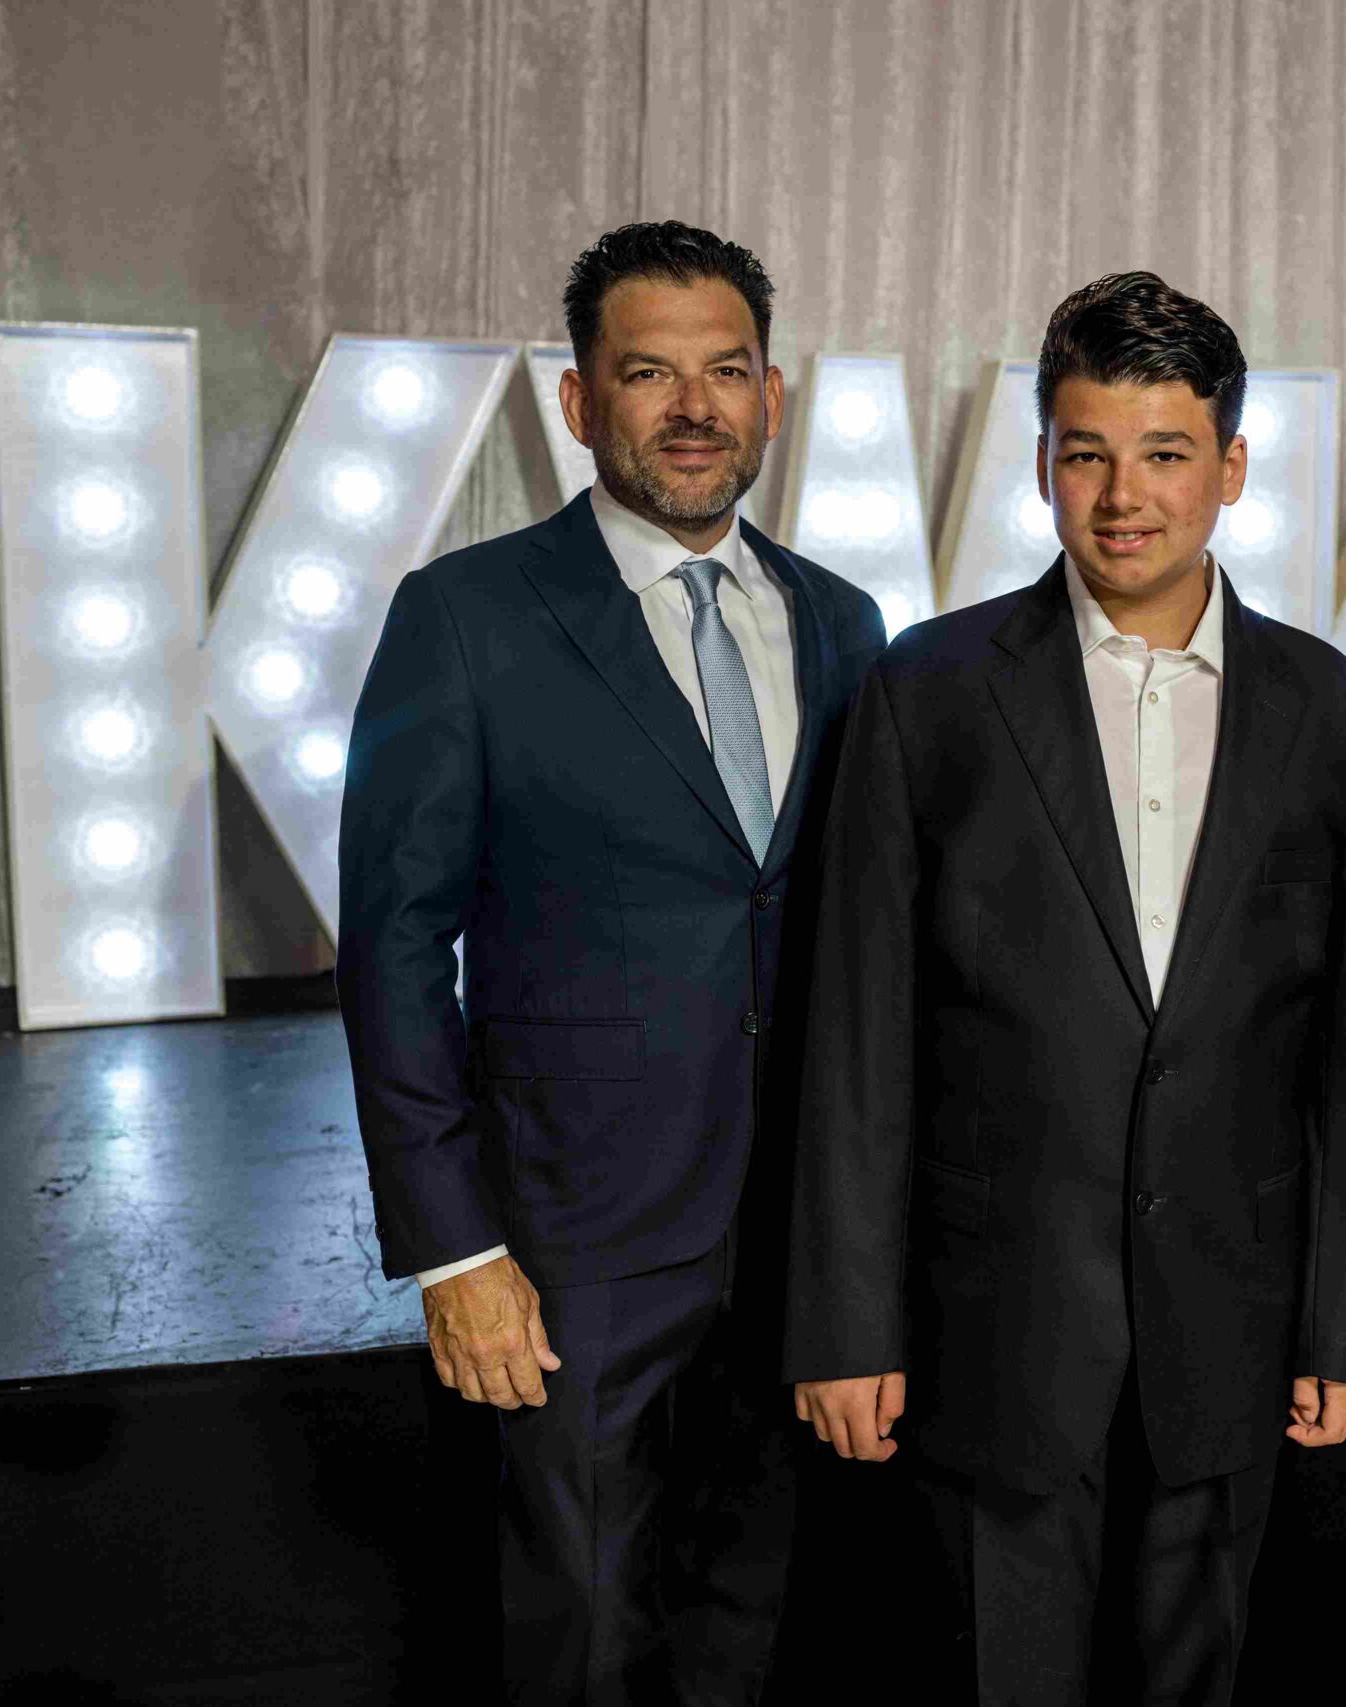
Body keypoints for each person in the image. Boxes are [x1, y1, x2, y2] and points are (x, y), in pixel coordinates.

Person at [782, 271, 1346, 1704]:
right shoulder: (930, 690)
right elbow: (856, 1032)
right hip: (994, 1320)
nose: (1124, 497)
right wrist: (847, 1323)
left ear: (1231, 467)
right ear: (1043, 460)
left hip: (1235, 1319)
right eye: (1086, 452)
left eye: (1166, 453)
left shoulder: (1328, 710)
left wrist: (1342, 1317)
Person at [337, 221, 887, 1704]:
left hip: (795, 1240)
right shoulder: (465, 618)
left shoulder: (843, 623)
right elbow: (393, 945)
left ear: (773, 395)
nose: (695, 408)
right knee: (574, 1638)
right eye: (649, 373)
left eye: (728, 372)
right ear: (580, 401)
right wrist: (454, 1250)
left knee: (752, 1621)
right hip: (571, 1244)